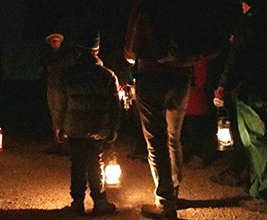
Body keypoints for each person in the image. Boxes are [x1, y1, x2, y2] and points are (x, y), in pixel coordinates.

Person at [123, 0, 230, 219]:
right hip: (181, 78)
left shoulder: (145, 8)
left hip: (151, 76)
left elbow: (130, 51)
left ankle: (165, 202)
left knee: (156, 140)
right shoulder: (187, 7)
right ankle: (173, 193)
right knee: (173, 137)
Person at [50, 27, 121, 216]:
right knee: (96, 163)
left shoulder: (68, 74)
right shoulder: (108, 75)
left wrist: (59, 125)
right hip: (98, 128)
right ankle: (99, 201)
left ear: (78, 50)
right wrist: (113, 128)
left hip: (74, 128)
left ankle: (77, 202)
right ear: (97, 51)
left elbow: (60, 103)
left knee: (77, 163)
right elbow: (115, 106)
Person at [213, 0, 267, 213]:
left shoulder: (249, 23)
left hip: (253, 90)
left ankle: (262, 195)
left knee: (256, 142)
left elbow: (236, 58)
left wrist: (223, 86)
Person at [40, 32, 78, 155]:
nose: (55, 43)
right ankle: (57, 142)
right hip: (52, 87)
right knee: (54, 113)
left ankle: (66, 143)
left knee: (63, 113)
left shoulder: (66, 56)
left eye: (57, 41)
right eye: (53, 41)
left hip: (63, 89)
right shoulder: (47, 56)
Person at [181, 57, 211, 169]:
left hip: (195, 102)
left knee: (196, 130)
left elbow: (201, 80)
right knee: (190, 129)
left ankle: (199, 156)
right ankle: (192, 155)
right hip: (188, 102)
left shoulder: (199, 59)